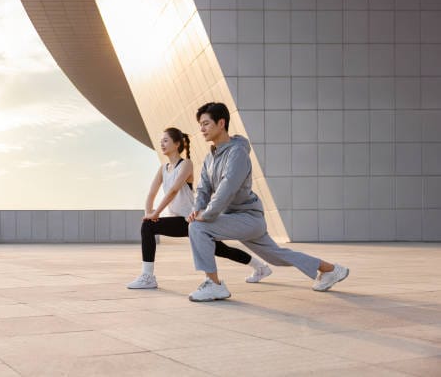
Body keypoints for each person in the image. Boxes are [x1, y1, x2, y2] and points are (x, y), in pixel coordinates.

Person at [187, 102, 349, 302]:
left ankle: (214, 285)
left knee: (198, 229)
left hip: (247, 218)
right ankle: (332, 270)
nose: (202, 129)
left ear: (221, 123)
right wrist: (197, 210)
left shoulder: (236, 153)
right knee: (276, 257)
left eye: (206, 124)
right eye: (200, 125)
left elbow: (227, 188)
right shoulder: (210, 158)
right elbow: (203, 189)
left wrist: (207, 215)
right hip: (235, 218)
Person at [127, 127, 271, 289]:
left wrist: (156, 213)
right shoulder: (163, 169)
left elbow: (174, 190)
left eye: (166, 140)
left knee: (149, 227)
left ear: (177, 144)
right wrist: (149, 213)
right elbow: (151, 193)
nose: (162, 144)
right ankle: (261, 266)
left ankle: (148, 277)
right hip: (178, 219)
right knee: (222, 250)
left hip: (190, 219)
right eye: (161, 141)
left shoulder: (186, 164)